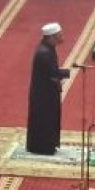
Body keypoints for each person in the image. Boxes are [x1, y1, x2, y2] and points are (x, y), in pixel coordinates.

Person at [27, 22, 73, 155]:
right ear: (51, 37)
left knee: (48, 119)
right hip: (43, 95)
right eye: (59, 35)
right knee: (45, 120)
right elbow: (52, 72)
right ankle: (42, 148)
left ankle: (46, 146)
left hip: (46, 92)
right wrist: (68, 72)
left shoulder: (48, 48)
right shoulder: (44, 53)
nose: (62, 37)